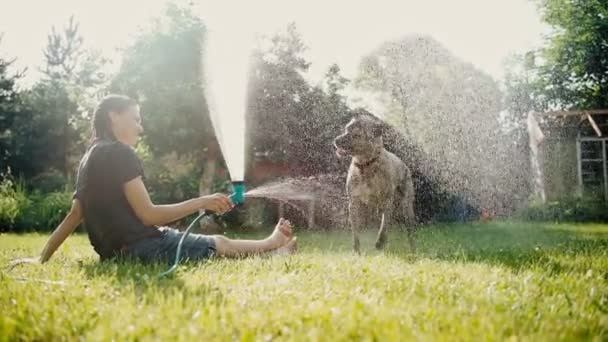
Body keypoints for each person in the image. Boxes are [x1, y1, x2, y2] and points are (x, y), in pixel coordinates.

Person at [11, 94, 296, 266]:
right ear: (114, 116)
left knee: (210, 244)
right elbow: (148, 216)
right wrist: (204, 201)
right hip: (144, 248)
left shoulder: (90, 156)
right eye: (135, 119)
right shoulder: (121, 153)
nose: (141, 127)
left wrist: (42, 257)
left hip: (115, 253)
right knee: (219, 243)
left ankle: (271, 252)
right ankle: (272, 245)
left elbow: (75, 214)